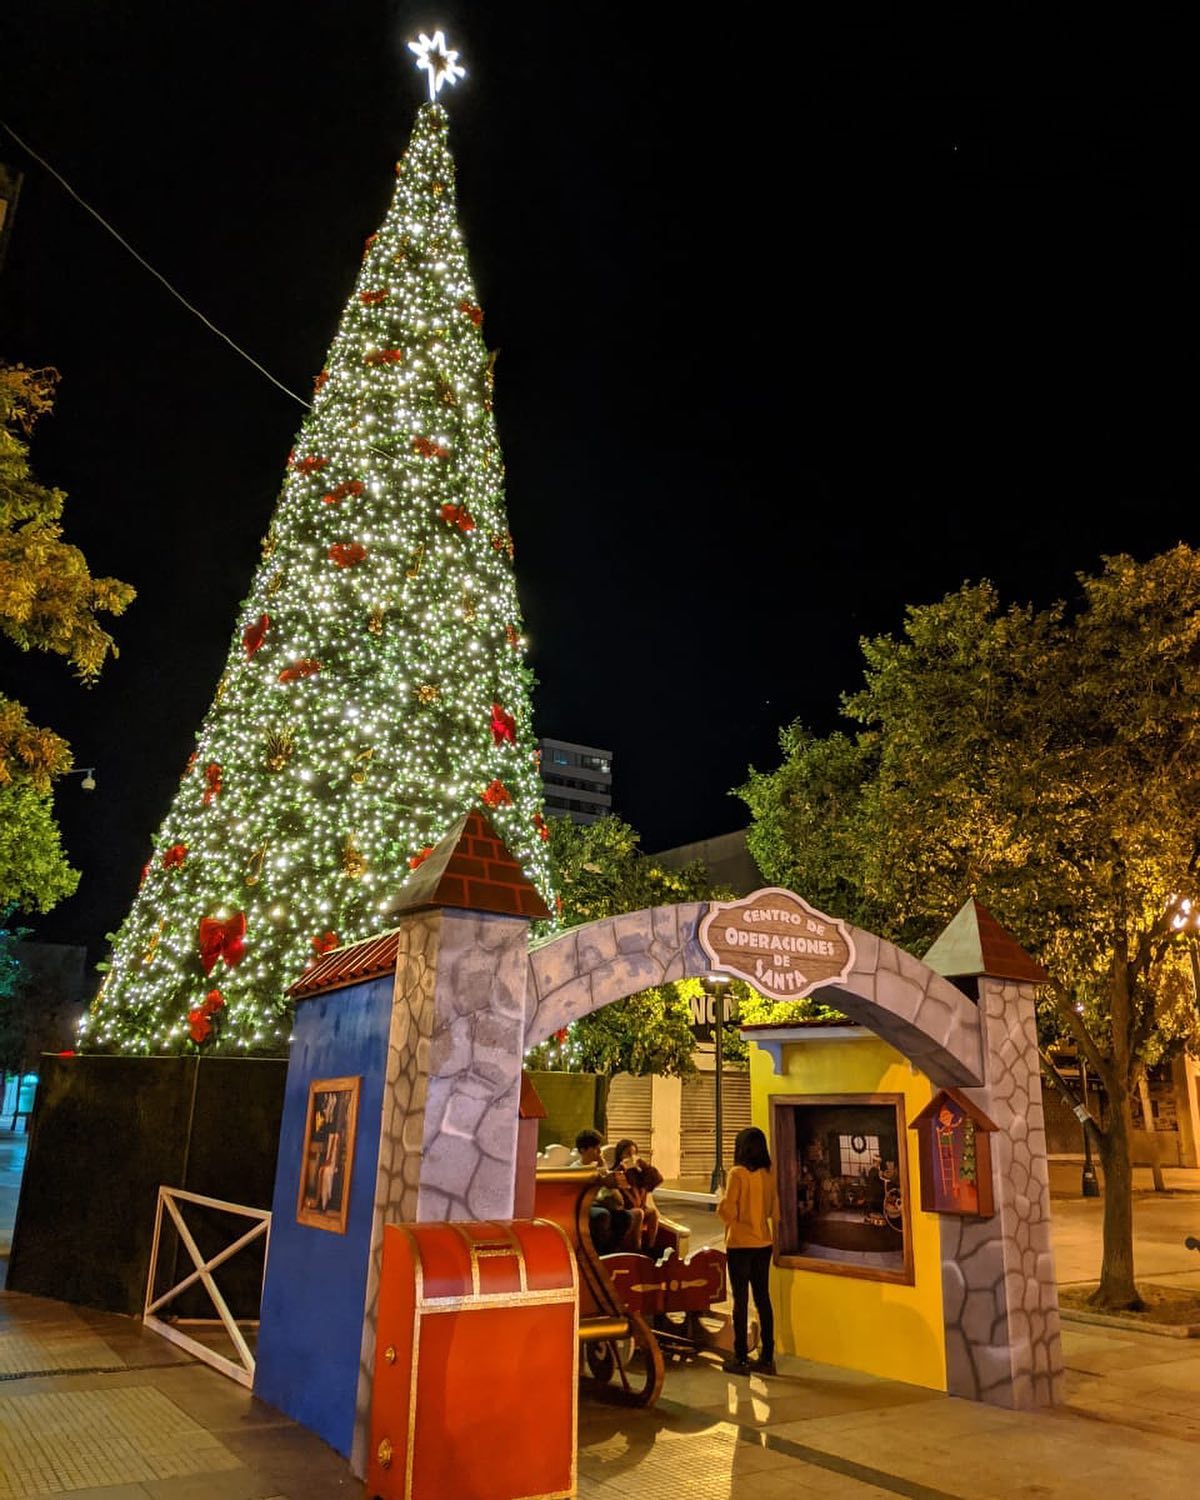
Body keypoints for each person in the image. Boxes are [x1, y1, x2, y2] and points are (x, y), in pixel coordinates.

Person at [717, 1125, 779, 1376]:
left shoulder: (737, 1173)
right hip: (764, 1242)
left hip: (740, 1244)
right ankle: (767, 1357)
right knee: (763, 1298)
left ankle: (740, 1356)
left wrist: (721, 1200)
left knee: (740, 1300)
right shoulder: (768, 1173)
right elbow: (774, 1210)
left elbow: (729, 1211)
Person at [571, 1128, 631, 1254]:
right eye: (595, 1148)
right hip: (583, 1206)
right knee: (602, 1215)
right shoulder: (575, 1170)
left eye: (599, 1148)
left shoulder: (600, 1168)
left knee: (625, 1216)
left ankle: (612, 1252)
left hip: (600, 1205)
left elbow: (620, 1201)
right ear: (583, 1150)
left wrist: (604, 1169)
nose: (599, 1152)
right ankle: (598, 1253)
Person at [611, 1138, 663, 1251]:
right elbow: (612, 1181)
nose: (632, 1157)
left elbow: (658, 1179)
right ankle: (636, 1248)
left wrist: (644, 1166)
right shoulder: (617, 1171)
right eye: (628, 1153)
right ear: (620, 1155)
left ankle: (650, 1247)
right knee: (639, 1213)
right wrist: (622, 1168)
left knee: (652, 1212)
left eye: (634, 1153)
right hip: (624, 1210)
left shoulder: (640, 1173)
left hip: (640, 1207)